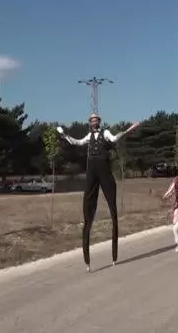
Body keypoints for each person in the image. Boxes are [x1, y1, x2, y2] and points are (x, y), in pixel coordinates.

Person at [57, 114, 139, 272]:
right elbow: (78, 142)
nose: (94, 123)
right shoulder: (89, 135)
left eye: (96, 120)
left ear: (99, 122)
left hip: (104, 168)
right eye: (91, 121)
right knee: (88, 202)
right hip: (91, 169)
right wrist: (64, 135)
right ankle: (87, 258)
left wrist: (128, 131)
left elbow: (114, 139)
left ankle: (114, 255)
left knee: (112, 206)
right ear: (90, 123)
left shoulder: (105, 133)